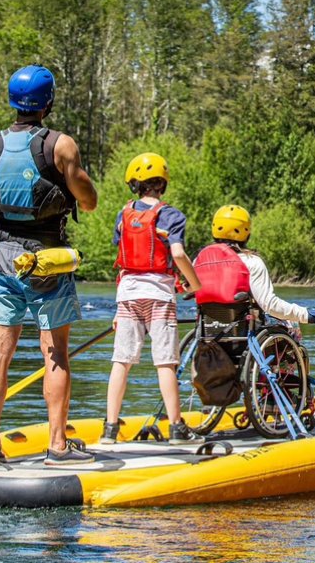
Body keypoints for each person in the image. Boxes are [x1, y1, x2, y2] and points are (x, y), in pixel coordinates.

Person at [0, 64, 98, 466]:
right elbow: (88, 202)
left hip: (4, 256)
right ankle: (57, 446)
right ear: (49, 102)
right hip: (48, 259)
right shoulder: (61, 146)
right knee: (54, 352)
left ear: (12, 101)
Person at [101, 152, 204, 446]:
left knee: (121, 361)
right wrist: (194, 284)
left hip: (128, 294)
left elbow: (122, 260)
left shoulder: (124, 214)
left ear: (136, 184)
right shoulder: (171, 215)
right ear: (162, 184)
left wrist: (118, 309)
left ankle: (109, 428)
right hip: (159, 295)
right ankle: (176, 429)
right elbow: (178, 255)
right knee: (165, 364)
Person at [194, 204, 315, 332]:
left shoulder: (198, 261)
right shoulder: (251, 262)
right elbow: (270, 305)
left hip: (207, 333)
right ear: (246, 233)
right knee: (292, 325)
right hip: (243, 334)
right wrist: (308, 315)